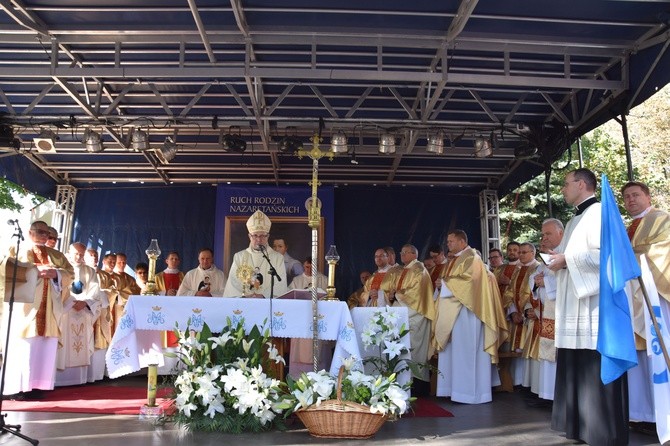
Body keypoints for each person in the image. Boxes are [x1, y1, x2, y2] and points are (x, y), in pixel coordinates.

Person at [548, 168, 628, 445]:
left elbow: (606, 255)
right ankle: (580, 427)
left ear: (582, 184)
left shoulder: (597, 214)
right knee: (576, 363)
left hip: (592, 306)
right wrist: (562, 259)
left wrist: (567, 260)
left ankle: (601, 430)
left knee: (591, 363)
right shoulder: (577, 218)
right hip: (575, 303)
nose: (562, 189)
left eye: (565, 184)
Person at [433, 229, 508, 404]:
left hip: (469, 312)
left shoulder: (472, 257)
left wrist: (444, 283)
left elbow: (468, 281)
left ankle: (470, 393)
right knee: (455, 351)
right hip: (455, 311)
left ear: (461, 241)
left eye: (451, 241)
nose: (448, 244)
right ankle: (453, 390)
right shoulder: (456, 259)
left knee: (467, 351)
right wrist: (441, 284)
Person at [0, 220, 74, 396]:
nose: (43, 235)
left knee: (44, 347)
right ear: (30, 232)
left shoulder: (56, 255)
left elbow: (70, 273)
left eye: (47, 233)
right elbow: (5, 269)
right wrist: (34, 270)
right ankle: (16, 388)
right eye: (40, 231)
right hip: (25, 309)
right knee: (24, 348)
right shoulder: (16, 249)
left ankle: (39, 387)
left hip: (49, 308)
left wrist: (55, 273)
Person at [621, 181, 670, 426]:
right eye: (627, 197)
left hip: (654, 297)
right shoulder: (628, 226)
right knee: (639, 356)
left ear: (648, 196)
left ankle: (663, 412)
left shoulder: (661, 219)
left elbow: (664, 252)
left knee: (656, 352)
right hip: (632, 297)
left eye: (636, 195)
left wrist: (631, 260)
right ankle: (642, 412)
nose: (631, 200)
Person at [526, 218, 564, 402]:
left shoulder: (566, 254)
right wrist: (536, 282)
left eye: (548, 234)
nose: (544, 238)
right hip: (546, 314)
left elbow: (568, 281)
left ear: (560, 233)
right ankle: (548, 394)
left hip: (561, 315)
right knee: (548, 353)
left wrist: (545, 282)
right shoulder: (545, 261)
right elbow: (533, 279)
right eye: (543, 234)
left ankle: (557, 394)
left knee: (558, 355)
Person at [55, 242, 103, 387]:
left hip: (83, 312)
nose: (78, 257)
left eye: (81, 254)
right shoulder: (62, 270)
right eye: (76, 253)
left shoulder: (90, 271)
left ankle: (78, 379)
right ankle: (60, 380)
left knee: (80, 343)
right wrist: (70, 302)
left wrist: (86, 302)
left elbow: (96, 292)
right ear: (69, 253)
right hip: (66, 312)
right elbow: (57, 289)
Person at [390, 244, 436, 393]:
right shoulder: (406, 269)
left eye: (405, 252)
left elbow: (416, 294)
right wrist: (392, 296)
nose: (402, 255)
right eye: (401, 252)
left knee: (414, 349)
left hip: (415, 314)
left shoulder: (419, 269)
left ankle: (417, 387)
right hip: (403, 312)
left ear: (413, 254)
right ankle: (402, 382)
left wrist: (396, 295)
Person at [223, 210, 287, 298]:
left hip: (267, 305)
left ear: (267, 236)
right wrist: (247, 296)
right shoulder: (239, 257)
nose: (259, 239)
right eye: (255, 235)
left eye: (262, 236)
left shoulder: (277, 258)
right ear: (249, 236)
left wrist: (264, 295)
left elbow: (280, 285)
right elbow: (233, 283)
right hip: (244, 304)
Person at [502, 242, 540, 387]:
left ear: (533, 253)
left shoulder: (537, 269)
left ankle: (529, 383)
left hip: (530, 316)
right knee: (516, 351)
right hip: (516, 316)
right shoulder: (518, 270)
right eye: (520, 253)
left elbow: (533, 294)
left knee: (527, 350)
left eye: (524, 252)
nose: (521, 255)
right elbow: (509, 292)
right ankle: (518, 382)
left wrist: (524, 312)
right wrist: (512, 312)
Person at [288, 257, 330, 376]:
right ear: (303, 266)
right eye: (307, 267)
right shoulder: (297, 280)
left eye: (312, 267)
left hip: (318, 319)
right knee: (300, 351)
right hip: (300, 322)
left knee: (319, 351)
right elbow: (289, 297)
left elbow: (329, 298)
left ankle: (321, 377)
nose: (309, 269)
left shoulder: (323, 280)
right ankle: (298, 377)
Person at [84, 248, 114, 382]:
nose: (94, 258)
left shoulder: (105, 275)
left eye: (95, 256)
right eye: (91, 256)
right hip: (86, 310)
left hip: (101, 313)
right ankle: (83, 374)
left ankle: (96, 374)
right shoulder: (82, 271)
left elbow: (113, 292)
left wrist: (103, 294)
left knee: (100, 340)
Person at [109, 253, 141, 335]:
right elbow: (111, 293)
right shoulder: (110, 277)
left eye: (124, 262)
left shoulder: (131, 279)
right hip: (115, 309)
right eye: (119, 262)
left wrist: (121, 293)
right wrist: (125, 293)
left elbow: (137, 292)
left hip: (129, 309)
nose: (122, 264)